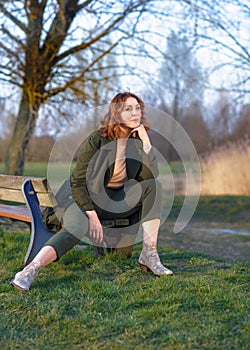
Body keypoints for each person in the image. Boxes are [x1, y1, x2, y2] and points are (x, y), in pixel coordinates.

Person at [11, 92, 173, 293]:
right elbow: (78, 182)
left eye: (137, 108)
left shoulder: (138, 143)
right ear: (116, 114)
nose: (135, 113)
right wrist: (92, 215)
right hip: (80, 200)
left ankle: (149, 254)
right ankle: (30, 271)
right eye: (128, 109)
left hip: (112, 203)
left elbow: (148, 177)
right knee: (77, 225)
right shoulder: (97, 140)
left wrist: (147, 146)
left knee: (154, 186)